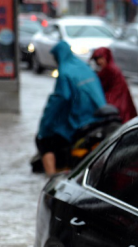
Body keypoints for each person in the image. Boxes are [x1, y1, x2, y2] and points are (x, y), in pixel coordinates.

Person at [36, 41, 106, 176]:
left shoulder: (65, 72)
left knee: (45, 141)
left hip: (80, 120)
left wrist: (45, 126)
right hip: (98, 115)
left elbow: (61, 98)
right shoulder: (83, 66)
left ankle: (50, 178)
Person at [91, 47, 137, 123]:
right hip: (123, 100)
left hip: (115, 101)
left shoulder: (108, 70)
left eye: (100, 58)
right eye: (97, 59)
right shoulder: (113, 68)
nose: (99, 61)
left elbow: (100, 86)